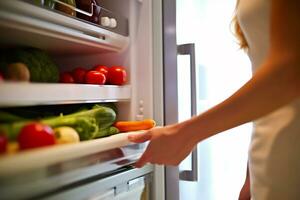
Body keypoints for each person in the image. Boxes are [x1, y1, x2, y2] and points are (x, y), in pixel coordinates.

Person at [129, 0, 300, 199]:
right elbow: (268, 88)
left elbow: (290, 72)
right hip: (270, 154)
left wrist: (185, 133)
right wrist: (250, 176)